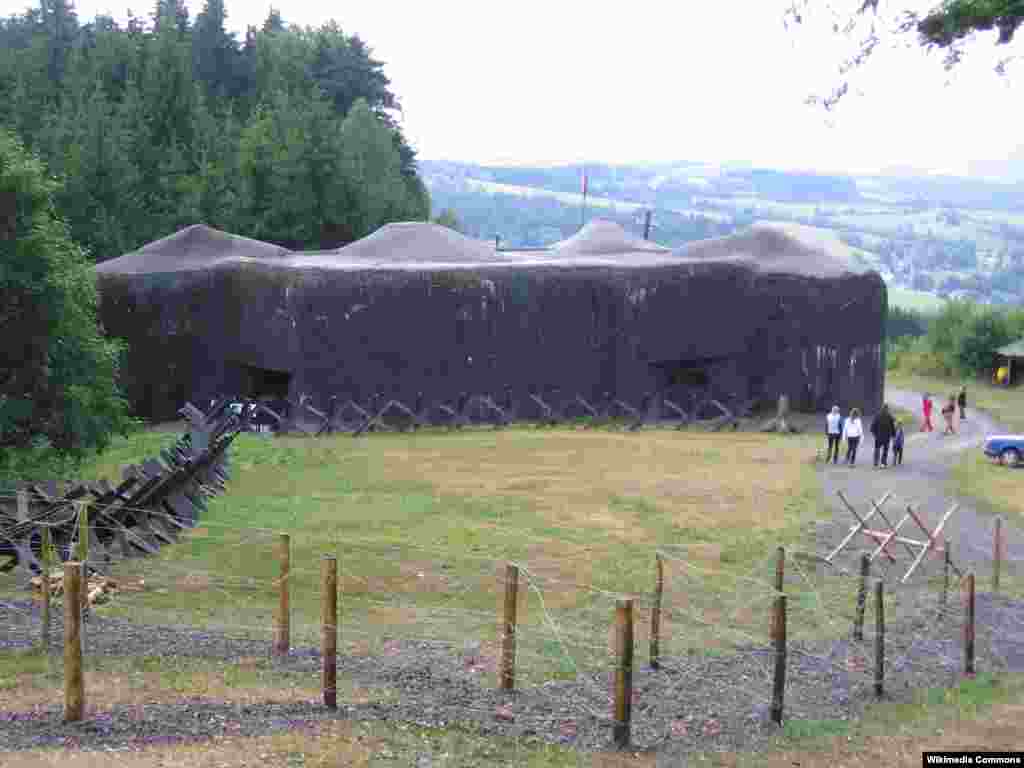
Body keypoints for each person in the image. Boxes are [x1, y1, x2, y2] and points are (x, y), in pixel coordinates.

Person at [870, 403, 896, 468]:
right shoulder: (889, 416)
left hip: (878, 436)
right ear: (887, 409)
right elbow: (892, 426)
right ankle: (883, 463)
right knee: (885, 450)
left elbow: (873, 426)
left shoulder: (877, 415)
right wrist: (893, 435)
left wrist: (874, 434)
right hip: (886, 437)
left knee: (877, 449)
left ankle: (876, 462)